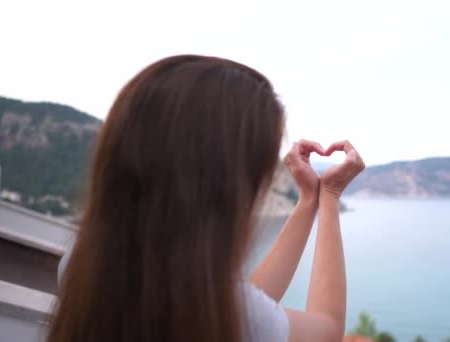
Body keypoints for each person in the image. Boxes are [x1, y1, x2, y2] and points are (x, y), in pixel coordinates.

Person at [48, 55, 365, 342]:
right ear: (221, 186)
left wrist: (308, 200)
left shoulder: (81, 264)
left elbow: (243, 307)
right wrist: (330, 197)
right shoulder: (219, 311)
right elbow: (325, 330)